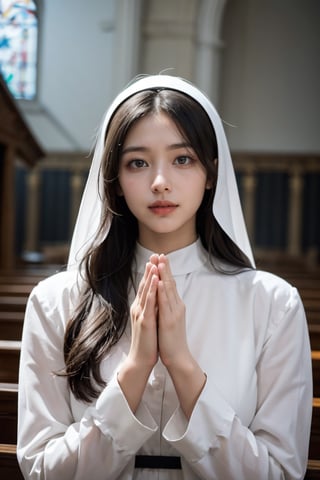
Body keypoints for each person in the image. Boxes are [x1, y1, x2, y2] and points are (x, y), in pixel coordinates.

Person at [17, 75, 313, 480]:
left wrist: (183, 367)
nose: (160, 182)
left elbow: (279, 473)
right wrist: (136, 368)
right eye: (137, 162)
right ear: (115, 181)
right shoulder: (55, 301)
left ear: (211, 173)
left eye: (182, 159)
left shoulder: (272, 304)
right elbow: (40, 470)